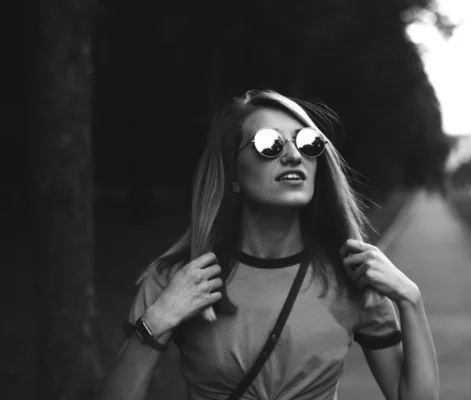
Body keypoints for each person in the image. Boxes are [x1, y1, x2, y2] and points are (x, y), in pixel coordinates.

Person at [96, 89, 439, 400]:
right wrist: (157, 320)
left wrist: (411, 299)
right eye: (269, 144)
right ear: (233, 173)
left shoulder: (352, 277)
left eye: (307, 142)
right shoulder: (178, 279)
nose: (293, 156)